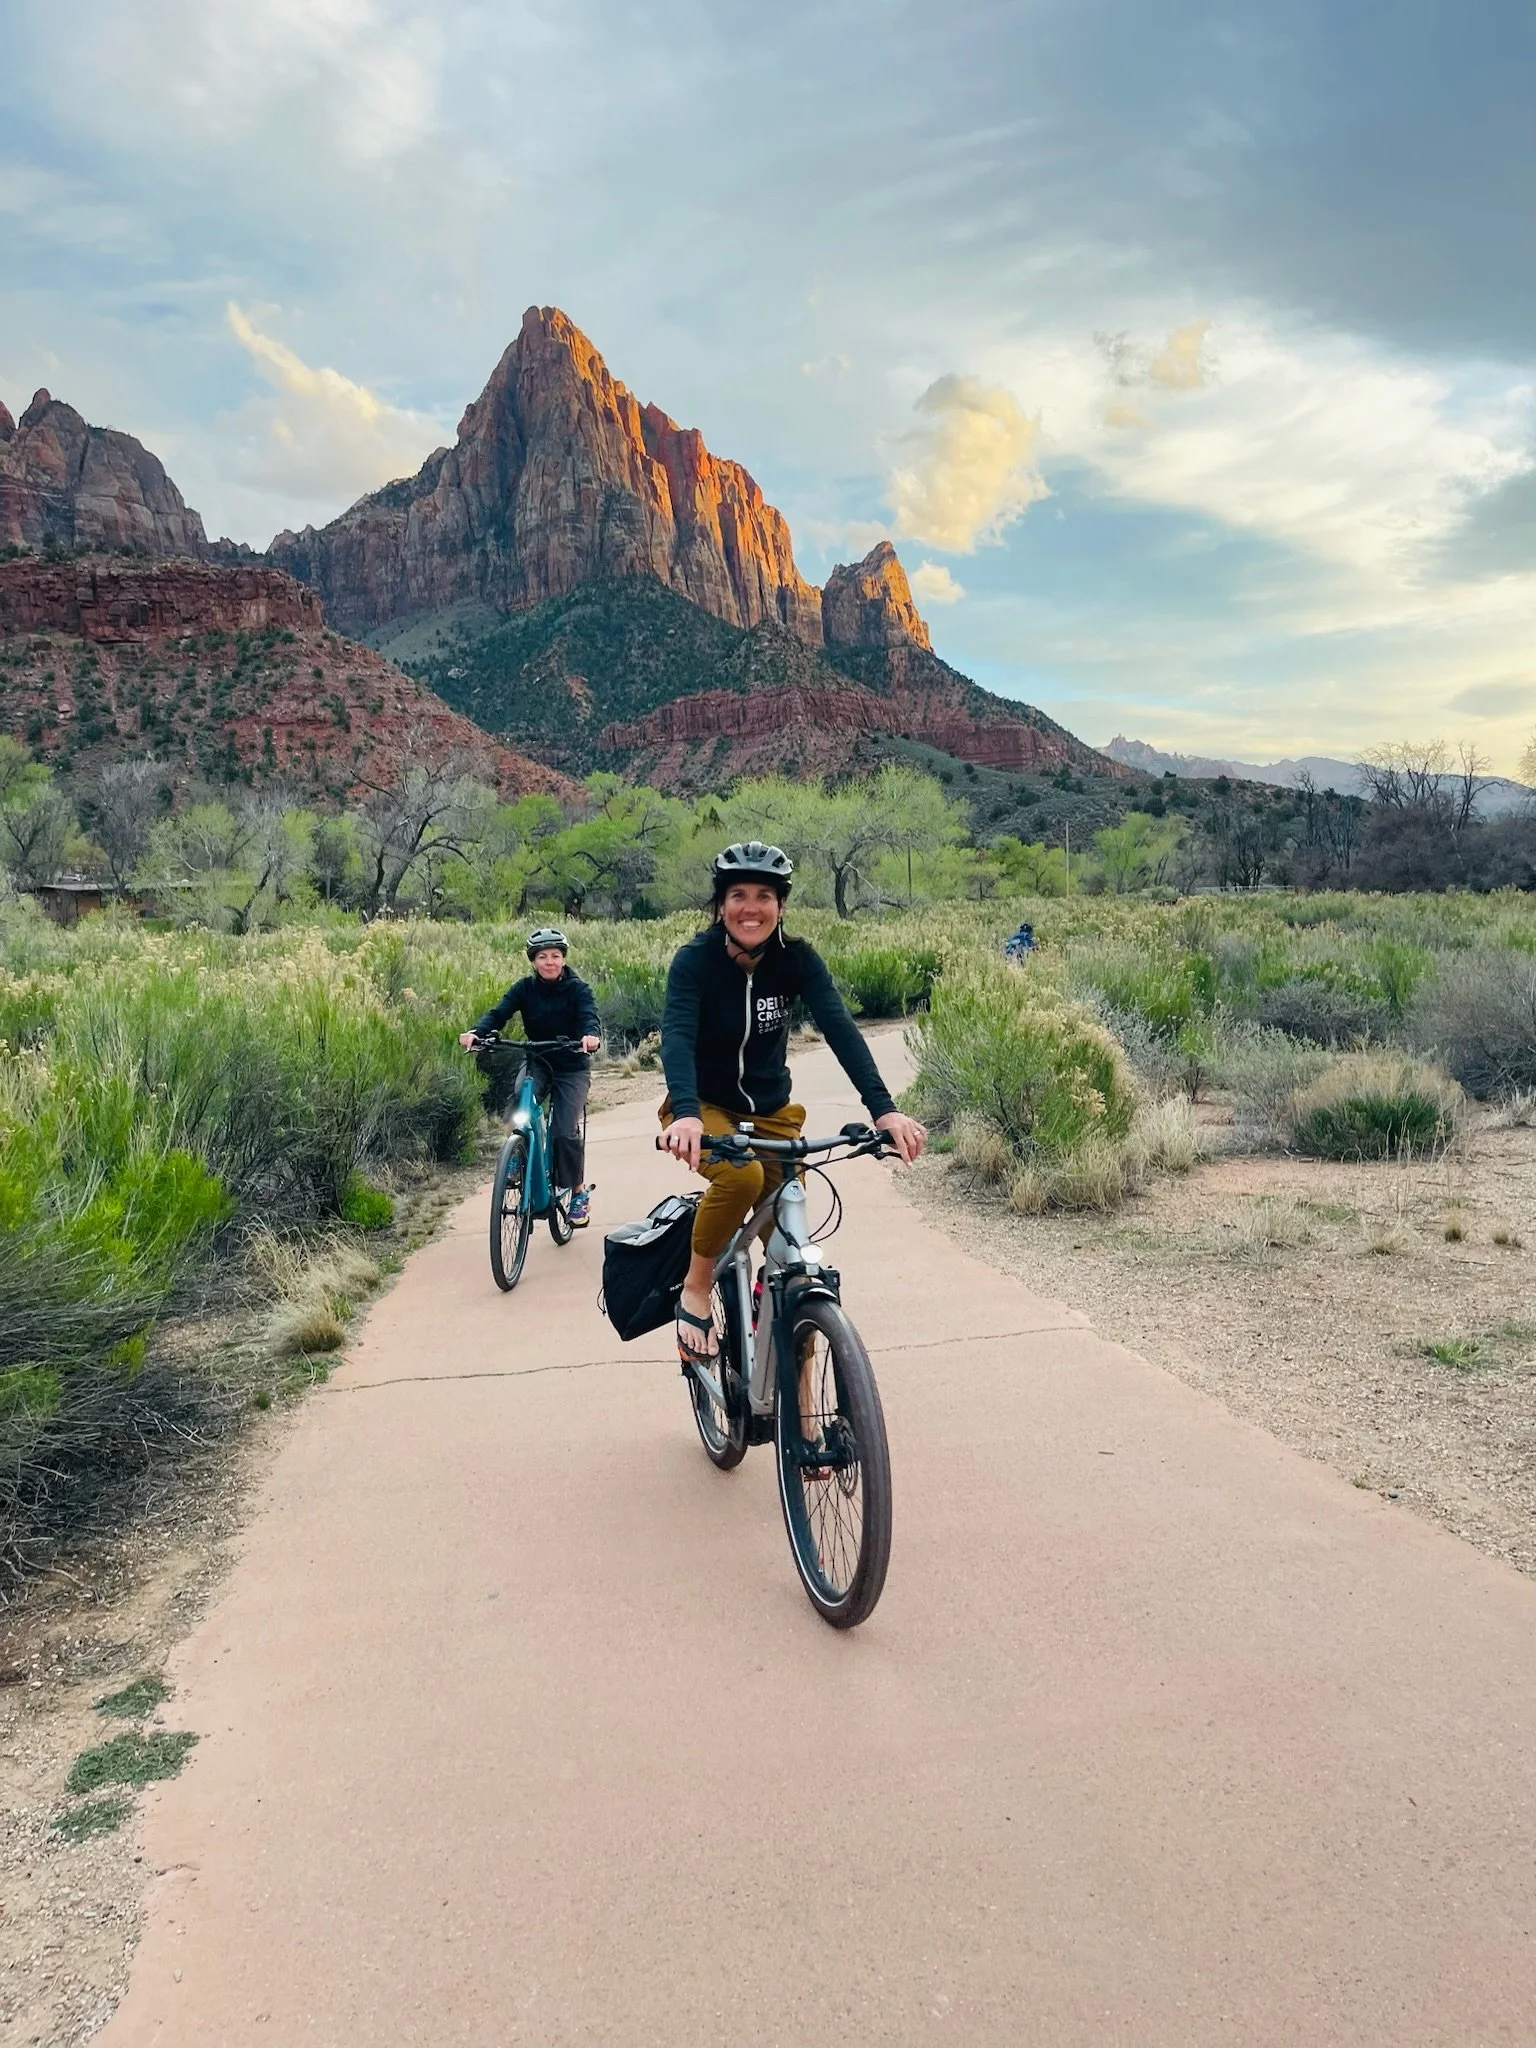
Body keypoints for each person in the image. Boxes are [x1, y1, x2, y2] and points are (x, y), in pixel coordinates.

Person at [658, 841, 926, 1365]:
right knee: (743, 1178)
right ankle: (694, 1289)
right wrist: (686, 1113)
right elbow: (676, 1035)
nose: (750, 907)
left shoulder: (796, 961)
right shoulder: (696, 961)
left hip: (773, 1114)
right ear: (720, 904)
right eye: (738, 895)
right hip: (704, 1106)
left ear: (781, 905)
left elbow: (841, 1029)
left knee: (791, 1251)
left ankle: (796, 1392)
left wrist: (883, 1109)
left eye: (764, 895)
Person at [460, 927, 602, 1227]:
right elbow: (499, 1013)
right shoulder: (524, 989)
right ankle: (518, 1153)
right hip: (538, 1061)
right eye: (542, 957)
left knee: (564, 1131)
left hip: (571, 1066)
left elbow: (589, 1015)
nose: (549, 962)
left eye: (555, 956)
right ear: (533, 961)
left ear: (563, 960)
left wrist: (590, 1036)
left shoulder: (579, 990)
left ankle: (577, 1193)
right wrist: (477, 1033)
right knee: (519, 1103)